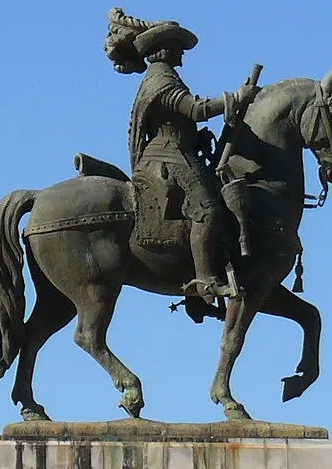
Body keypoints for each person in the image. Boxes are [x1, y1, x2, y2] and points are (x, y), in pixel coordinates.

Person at [110, 17, 257, 303]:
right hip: (169, 156)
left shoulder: (162, 77)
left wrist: (196, 137)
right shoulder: (161, 80)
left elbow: (180, 120)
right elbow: (195, 109)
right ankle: (206, 281)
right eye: (178, 46)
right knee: (208, 209)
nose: (183, 53)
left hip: (178, 149)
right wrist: (237, 97)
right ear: (164, 49)